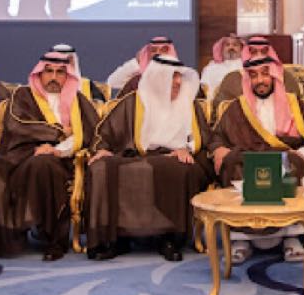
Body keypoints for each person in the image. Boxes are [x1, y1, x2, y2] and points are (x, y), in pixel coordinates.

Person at [0, 52, 99, 261]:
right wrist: (58, 131)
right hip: (16, 155)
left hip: (57, 160)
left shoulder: (78, 101)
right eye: (49, 71)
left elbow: (88, 134)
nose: (54, 77)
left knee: (43, 164)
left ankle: (53, 241)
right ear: (39, 73)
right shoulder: (23, 95)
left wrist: (58, 149)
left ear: (68, 76)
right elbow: (16, 125)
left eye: (60, 72)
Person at [87, 56, 213, 261]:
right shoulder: (133, 102)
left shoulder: (189, 103)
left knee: (176, 168)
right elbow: (105, 133)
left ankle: (169, 238)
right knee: (101, 167)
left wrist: (186, 148)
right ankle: (116, 238)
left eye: (180, 76)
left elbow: (204, 138)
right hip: (135, 155)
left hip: (175, 156)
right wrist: (101, 149)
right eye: (173, 77)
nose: (178, 82)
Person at [208, 56, 304, 264]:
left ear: (274, 76)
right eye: (253, 76)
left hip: (284, 158)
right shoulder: (238, 107)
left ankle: (290, 237)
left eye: (265, 74)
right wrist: (218, 148)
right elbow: (217, 136)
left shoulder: (293, 104)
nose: (260, 80)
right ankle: (241, 239)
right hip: (246, 160)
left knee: (289, 167)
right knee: (236, 167)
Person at [211, 36, 301, 107]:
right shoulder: (233, 78)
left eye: (263, 51)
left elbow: (297, 106)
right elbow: (220, 108)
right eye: (254, 52)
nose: (259, 56)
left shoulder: (285, 77)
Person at [106, 36, 177, 95]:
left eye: (163, 50)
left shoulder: (178, 77)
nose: (158, 53)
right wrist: (137, 62)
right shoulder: (138, 79)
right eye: (154, 50)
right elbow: (112, 83)